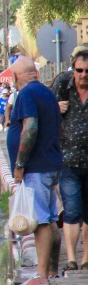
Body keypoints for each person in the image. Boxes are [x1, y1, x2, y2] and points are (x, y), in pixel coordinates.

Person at [7, 56, 63, 279]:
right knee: (49, 219)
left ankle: (41, 275)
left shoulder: (27, 94)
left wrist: (20, 164)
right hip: (50, 163)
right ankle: (51, 271)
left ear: (14, 76)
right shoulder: (46, 92)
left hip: (37, 167)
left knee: (40, 222)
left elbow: (30, 128)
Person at [57, 49, 88, 272]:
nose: (84, 74)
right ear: (73, 69)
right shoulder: (62, 84)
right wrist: (55, 107)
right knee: (72, 210)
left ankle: (86, 257)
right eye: (79, 70)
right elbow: (45, 112)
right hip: (68, 160)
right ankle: (71, 258)